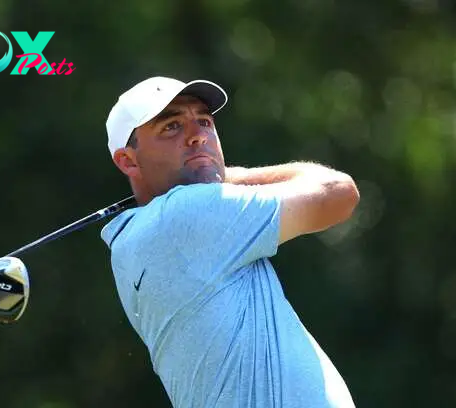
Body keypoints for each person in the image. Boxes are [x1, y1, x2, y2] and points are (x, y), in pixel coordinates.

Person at [101, 76, 360, 408]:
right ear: (128, 161)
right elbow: (337, 193)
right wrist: (227, 174)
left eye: (205, 121)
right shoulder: (187, 214)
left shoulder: (129, 242)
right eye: (172, 127)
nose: (198, 136)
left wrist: (209, 172)